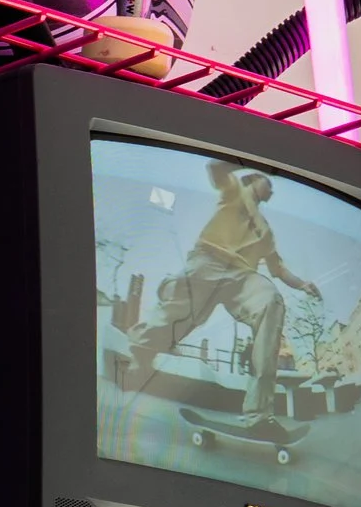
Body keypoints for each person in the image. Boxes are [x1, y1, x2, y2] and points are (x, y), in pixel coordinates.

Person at [124, 162, 321, 428]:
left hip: (243, 277)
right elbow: (216, 170)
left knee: (270, 302)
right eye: (268, 184)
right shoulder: (236, 190)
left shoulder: (266, 232)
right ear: (253, 180)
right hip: (209, 260)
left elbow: (278, 269)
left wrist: (303, 284)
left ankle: (259, 413)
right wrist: (245, 159)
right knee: (180, 312)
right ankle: (141, 356)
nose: (271, 191)